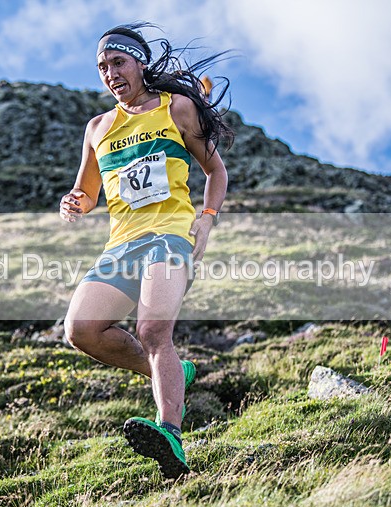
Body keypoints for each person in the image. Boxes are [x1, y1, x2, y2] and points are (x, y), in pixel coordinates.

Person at [59, 23, 233, 479]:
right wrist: (74, 202)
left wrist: (208, 217)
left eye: (118, 62)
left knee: (154, 330)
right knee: (81, 330)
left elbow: (216, 170)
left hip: (170, 236)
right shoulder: (98, 128)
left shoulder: (176, 108)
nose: (110, 73)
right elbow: (87, 190)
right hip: (121, 245)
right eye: (102, 67)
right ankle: (175, 373)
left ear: (139, 63)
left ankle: (170, 434)